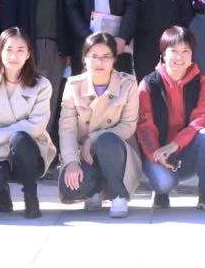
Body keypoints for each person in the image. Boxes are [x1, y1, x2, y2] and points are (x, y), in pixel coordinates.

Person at [0, 0, 71, 148]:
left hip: (55, 49)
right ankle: (18, 151)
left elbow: (67, 13)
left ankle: (43, 153)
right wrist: (13, 50)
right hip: (25, 49)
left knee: (49, 102)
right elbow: (7, 15)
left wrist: (67, 48)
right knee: (21, 101)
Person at [0, 27, 56, 218]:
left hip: (30, 151)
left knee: (20, 138)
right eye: (9, 49)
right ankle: (2, 191)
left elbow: (36, 126)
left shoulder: (42, 85)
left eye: (20, 50)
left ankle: (31, 195)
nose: (14, 56)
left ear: (28, 54)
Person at [58, 32, 142, 218]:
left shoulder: (128, 84)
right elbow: (67, 128)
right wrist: (71, 161)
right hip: (84, 154)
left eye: (105, 57)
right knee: (71, 188)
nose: (99, 62)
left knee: (106, 140)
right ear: (84, 58)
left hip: (116, 151)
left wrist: (92, 138)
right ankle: (94, 190)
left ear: (114, 59)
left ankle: (118, 195)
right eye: (94, 56)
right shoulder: (73, 85)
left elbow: (128, 125)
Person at [137, 25, 205, 211]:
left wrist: (175, 144)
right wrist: (158, 155)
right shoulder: (148, 84)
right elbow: (145, 128)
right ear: (163, 54)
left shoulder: (202, 82)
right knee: (165, 183)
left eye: (185, 51)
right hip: (158, 153)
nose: (179, 57)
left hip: (186, 153)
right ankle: (161, 192)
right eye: (173, 51)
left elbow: (201, 119)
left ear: (192, 55)